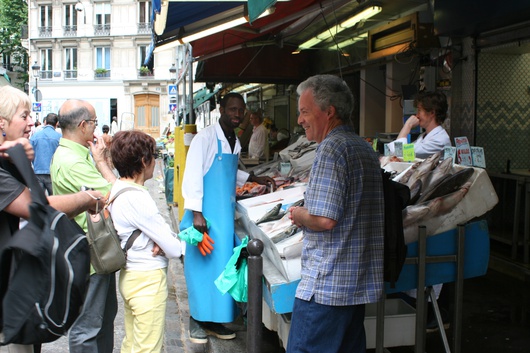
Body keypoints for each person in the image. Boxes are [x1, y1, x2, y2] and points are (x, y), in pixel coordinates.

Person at [0, 86, 105, 353]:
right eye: (24, 116)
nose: (31, 122)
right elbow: (36, 206)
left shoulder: (11, 158)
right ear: (2, 123)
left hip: (20, 281)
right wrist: (86, 199)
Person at [286, 75, 384, 353]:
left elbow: (325, 220)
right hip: (354, 286)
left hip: (326, 289)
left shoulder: (331, 149)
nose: (300, 120)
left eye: (305, 112)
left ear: (329, 112)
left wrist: (299, 214)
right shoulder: (363, 147)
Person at [181, 92, 275, 344]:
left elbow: (231, 173)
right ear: (221, 109)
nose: (237, 114)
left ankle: (215, 320)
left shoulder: (232, 139)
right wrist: (197, 213)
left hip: (224, 216)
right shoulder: (205, 138)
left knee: (221, 266)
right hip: (205, 217)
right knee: (203, 267)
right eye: (232, 109)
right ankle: (197, 319)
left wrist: (254, 179)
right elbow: (192, 175)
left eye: (240, 110)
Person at [50, 99, 118, 353]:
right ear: (82, 125)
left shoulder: (75, 154)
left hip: (96, 251)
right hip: (92, 254)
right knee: (88, 327)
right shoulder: (73, 161)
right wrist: (103, 161)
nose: (96, 130)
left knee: (103, 320)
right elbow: (116, 194)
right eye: (94, 124)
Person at [108, 130, 182, 353]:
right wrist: (166, 240)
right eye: (153, 156)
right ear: (144, 161)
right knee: (147, 348)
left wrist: (159, 237)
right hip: (147, 281)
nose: (155, 161)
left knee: (131, 344)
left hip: (131, 277)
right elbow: (174, 248)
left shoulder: (119, 188)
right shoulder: (138, 198)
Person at [386, 91, 451, 159]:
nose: (417, 115)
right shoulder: (423, 136)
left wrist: (408, 125)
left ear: (432, 113)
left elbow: (398, 152)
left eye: (419, 110)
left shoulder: (439, 140)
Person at [30, 112, 61, 195]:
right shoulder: (59, 137)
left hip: (37, 171)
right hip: (53, 173)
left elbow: (29, 153)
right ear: (57, 123)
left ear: (45, 122)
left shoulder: (35, 136)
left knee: (38, 199)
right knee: (55, 200)